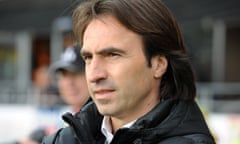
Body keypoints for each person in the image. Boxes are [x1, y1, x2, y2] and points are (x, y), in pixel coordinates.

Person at [42, 0, 215, 143]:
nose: (94, 75)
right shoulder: (63, 139)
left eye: (112, 55)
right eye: (88, 58)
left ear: (159, 64)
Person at [18, 45, 90, 144]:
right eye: (64, 75)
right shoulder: (67, 117)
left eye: (76, 74)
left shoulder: (105, 122)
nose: (69, 82)